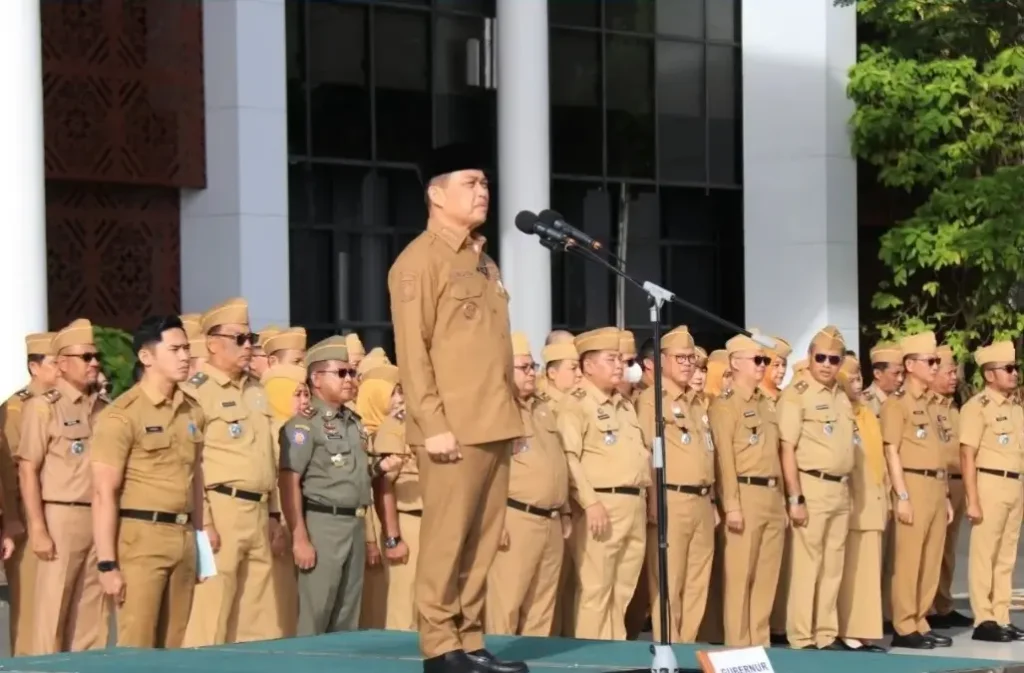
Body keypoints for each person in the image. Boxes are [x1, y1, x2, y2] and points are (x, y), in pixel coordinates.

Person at [387, 143, 526, 673]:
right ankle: (440, 647)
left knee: (482, 542)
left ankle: (469, 641)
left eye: (485, 183)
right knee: (447, 542)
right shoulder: (418, 262)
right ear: (435, 193)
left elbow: (491, 347)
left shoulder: (484, 261)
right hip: (452, 430)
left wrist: (514, 417)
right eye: (470, 182)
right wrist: (433, 424)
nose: (483, 191)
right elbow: (413, 352)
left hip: (493, 422)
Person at [90, 315, 205, 648]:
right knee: (137, 645)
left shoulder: (192, 410)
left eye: (186, 349)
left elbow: (195, 476)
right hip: (141, 539)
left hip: (182, 537)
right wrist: (107, 563)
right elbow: (103, 492)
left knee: (175, 645)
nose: (185, 357)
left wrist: (198, 542)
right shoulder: (122, 414)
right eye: (175, 349)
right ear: (146, 357)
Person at [181, 298, 284, 646]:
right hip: (221, 509)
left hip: (258, 509)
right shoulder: (196, 391)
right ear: (212, 343)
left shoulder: (256, 389)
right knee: (213, 611)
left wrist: (274, 512)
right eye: (239, 339)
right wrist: (204, 521)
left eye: (250, 338)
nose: (248, 347)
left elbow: (269, 453)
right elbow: (192, 463)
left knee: (258, 617)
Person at [280, 336, 394, 635]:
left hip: (353, 522)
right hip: (322, 524)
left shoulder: (353, 421)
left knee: (347, 618)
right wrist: (299, 537)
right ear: (316, 379)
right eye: (340, 373)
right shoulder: (304, 424)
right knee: (315, 614)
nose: (349, 380)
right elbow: (289, 479)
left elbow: (354, 473)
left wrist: (381, 466)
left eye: (351, 373)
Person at [18, 319, 110, 653]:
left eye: (95, 356)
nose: (94, 363)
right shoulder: (43, 408)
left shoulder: (103, 409)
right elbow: (28, 470)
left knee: (92, 614)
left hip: (98, 518)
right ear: (61, 363)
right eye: (85, 357)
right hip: (60, 516)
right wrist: (38, 528)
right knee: (52, 612)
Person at [559, 327, 650, 641]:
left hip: (633, 504)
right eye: (610, 359)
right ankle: (591, 659)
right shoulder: (577, 403)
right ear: (587, 366)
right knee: (596, 590)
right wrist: (590, 502)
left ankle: (613, 653)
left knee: (621, 590)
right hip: (601, 504)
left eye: (620, 360)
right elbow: (569, 457)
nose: (618, 367)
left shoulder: (623, 404)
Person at [486, 333, 571, 636]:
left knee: (542, 606)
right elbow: (489, 472)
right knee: (506, 603)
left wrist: (566, 511)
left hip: (550, 520)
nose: (531, 372)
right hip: (515, 518)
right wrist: (494, 522)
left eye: (532, 365)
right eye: (523, 367)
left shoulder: (542, 408)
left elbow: (557, 462)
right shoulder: (497, 411)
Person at [777, 326, 854, 651]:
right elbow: (787, 449)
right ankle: (802, 636)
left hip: (841, 489)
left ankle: (826, 633)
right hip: (811, 484)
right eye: (819, 357)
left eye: (833, 359)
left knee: (833, 566)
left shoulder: (841, 394)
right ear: (808, 358)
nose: (826, 364)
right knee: (807, 565)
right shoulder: (797, 393)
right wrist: (796, 498)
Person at [637, 326, 714, 643]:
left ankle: (686, 645)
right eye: (680, 358)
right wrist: (654, 500)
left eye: (691, 359)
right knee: (669, 580)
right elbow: (648, 453)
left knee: (698, 580)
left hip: (701, 500)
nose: (687, 364)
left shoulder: (697, 401)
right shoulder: (652, 400)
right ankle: (667, 646)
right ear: (662, 359)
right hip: (671, 497)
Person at [711, 334, 785, 647]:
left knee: (766, 576)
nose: (762, 366)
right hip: (745, 492)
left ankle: (760, 643)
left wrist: (782, 500)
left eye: (764, 360)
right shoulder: (725, 406)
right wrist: (732, 505)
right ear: (735, 363)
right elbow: (724, 459)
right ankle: (739, 646)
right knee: (740, 577)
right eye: (757, 360)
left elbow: (776, 455)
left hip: (771, 494)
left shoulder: (766, 404)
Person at [882, 331, 953, 650]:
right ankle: (904, 624)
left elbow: (939, 451)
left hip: (937, 486)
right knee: (909, 561)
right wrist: (903, 495)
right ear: (910, 365)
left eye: (937, 361)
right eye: (931, 361)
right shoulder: (898, 404)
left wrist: (947, 496)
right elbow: (891, 451)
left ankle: (921, 620)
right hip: (913, 483)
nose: (936, 366)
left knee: (930, 558)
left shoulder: (934, 404)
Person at [959, 341, 1024, 643]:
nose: (1014, 374)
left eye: (1015, 368)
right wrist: (972, 499)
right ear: (989, 375)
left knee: (1006, 556)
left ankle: (1001, 615)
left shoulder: (1016, 408)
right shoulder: (977, 408)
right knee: (984, 554)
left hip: (1016, 484)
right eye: (1008, 369)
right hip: (989, 482)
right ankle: (983, 617)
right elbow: (966, 455)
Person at [0, 332, 59, 655]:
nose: (61, 369)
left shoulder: (67, 404)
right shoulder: (14, 409)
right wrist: (12, 518)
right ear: (34, 367)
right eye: (54, 362)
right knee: (30, 614)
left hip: (63, 516)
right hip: (25, 516)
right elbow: (9, 472)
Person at [834, 357, 888, 652]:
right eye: (852, 380)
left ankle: (864, 628)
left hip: (873, 498)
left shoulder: (865, 412)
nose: (858, 385)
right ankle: (847, 629)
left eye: (858, 379)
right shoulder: (841, 412)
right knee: (851, 571)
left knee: (868, 569)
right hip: (854, 500)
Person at [260, 362, 311, 638]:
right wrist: (277, 519)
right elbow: (276, 482)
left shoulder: (302, 428)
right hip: (280, 524)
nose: (304, 401)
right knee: (281, 609)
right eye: (296, 394)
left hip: (300, 523)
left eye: (305, 394)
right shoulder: (272, 431)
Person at [927, 345, 971, 629]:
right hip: (935, 484)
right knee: (931, 550)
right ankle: (927, 607)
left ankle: (943, 603)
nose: (954, 377)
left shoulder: (952, 406)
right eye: (949, 371)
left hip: (958, 484)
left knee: (948, 550)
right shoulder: (926, 406)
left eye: (955, 371)